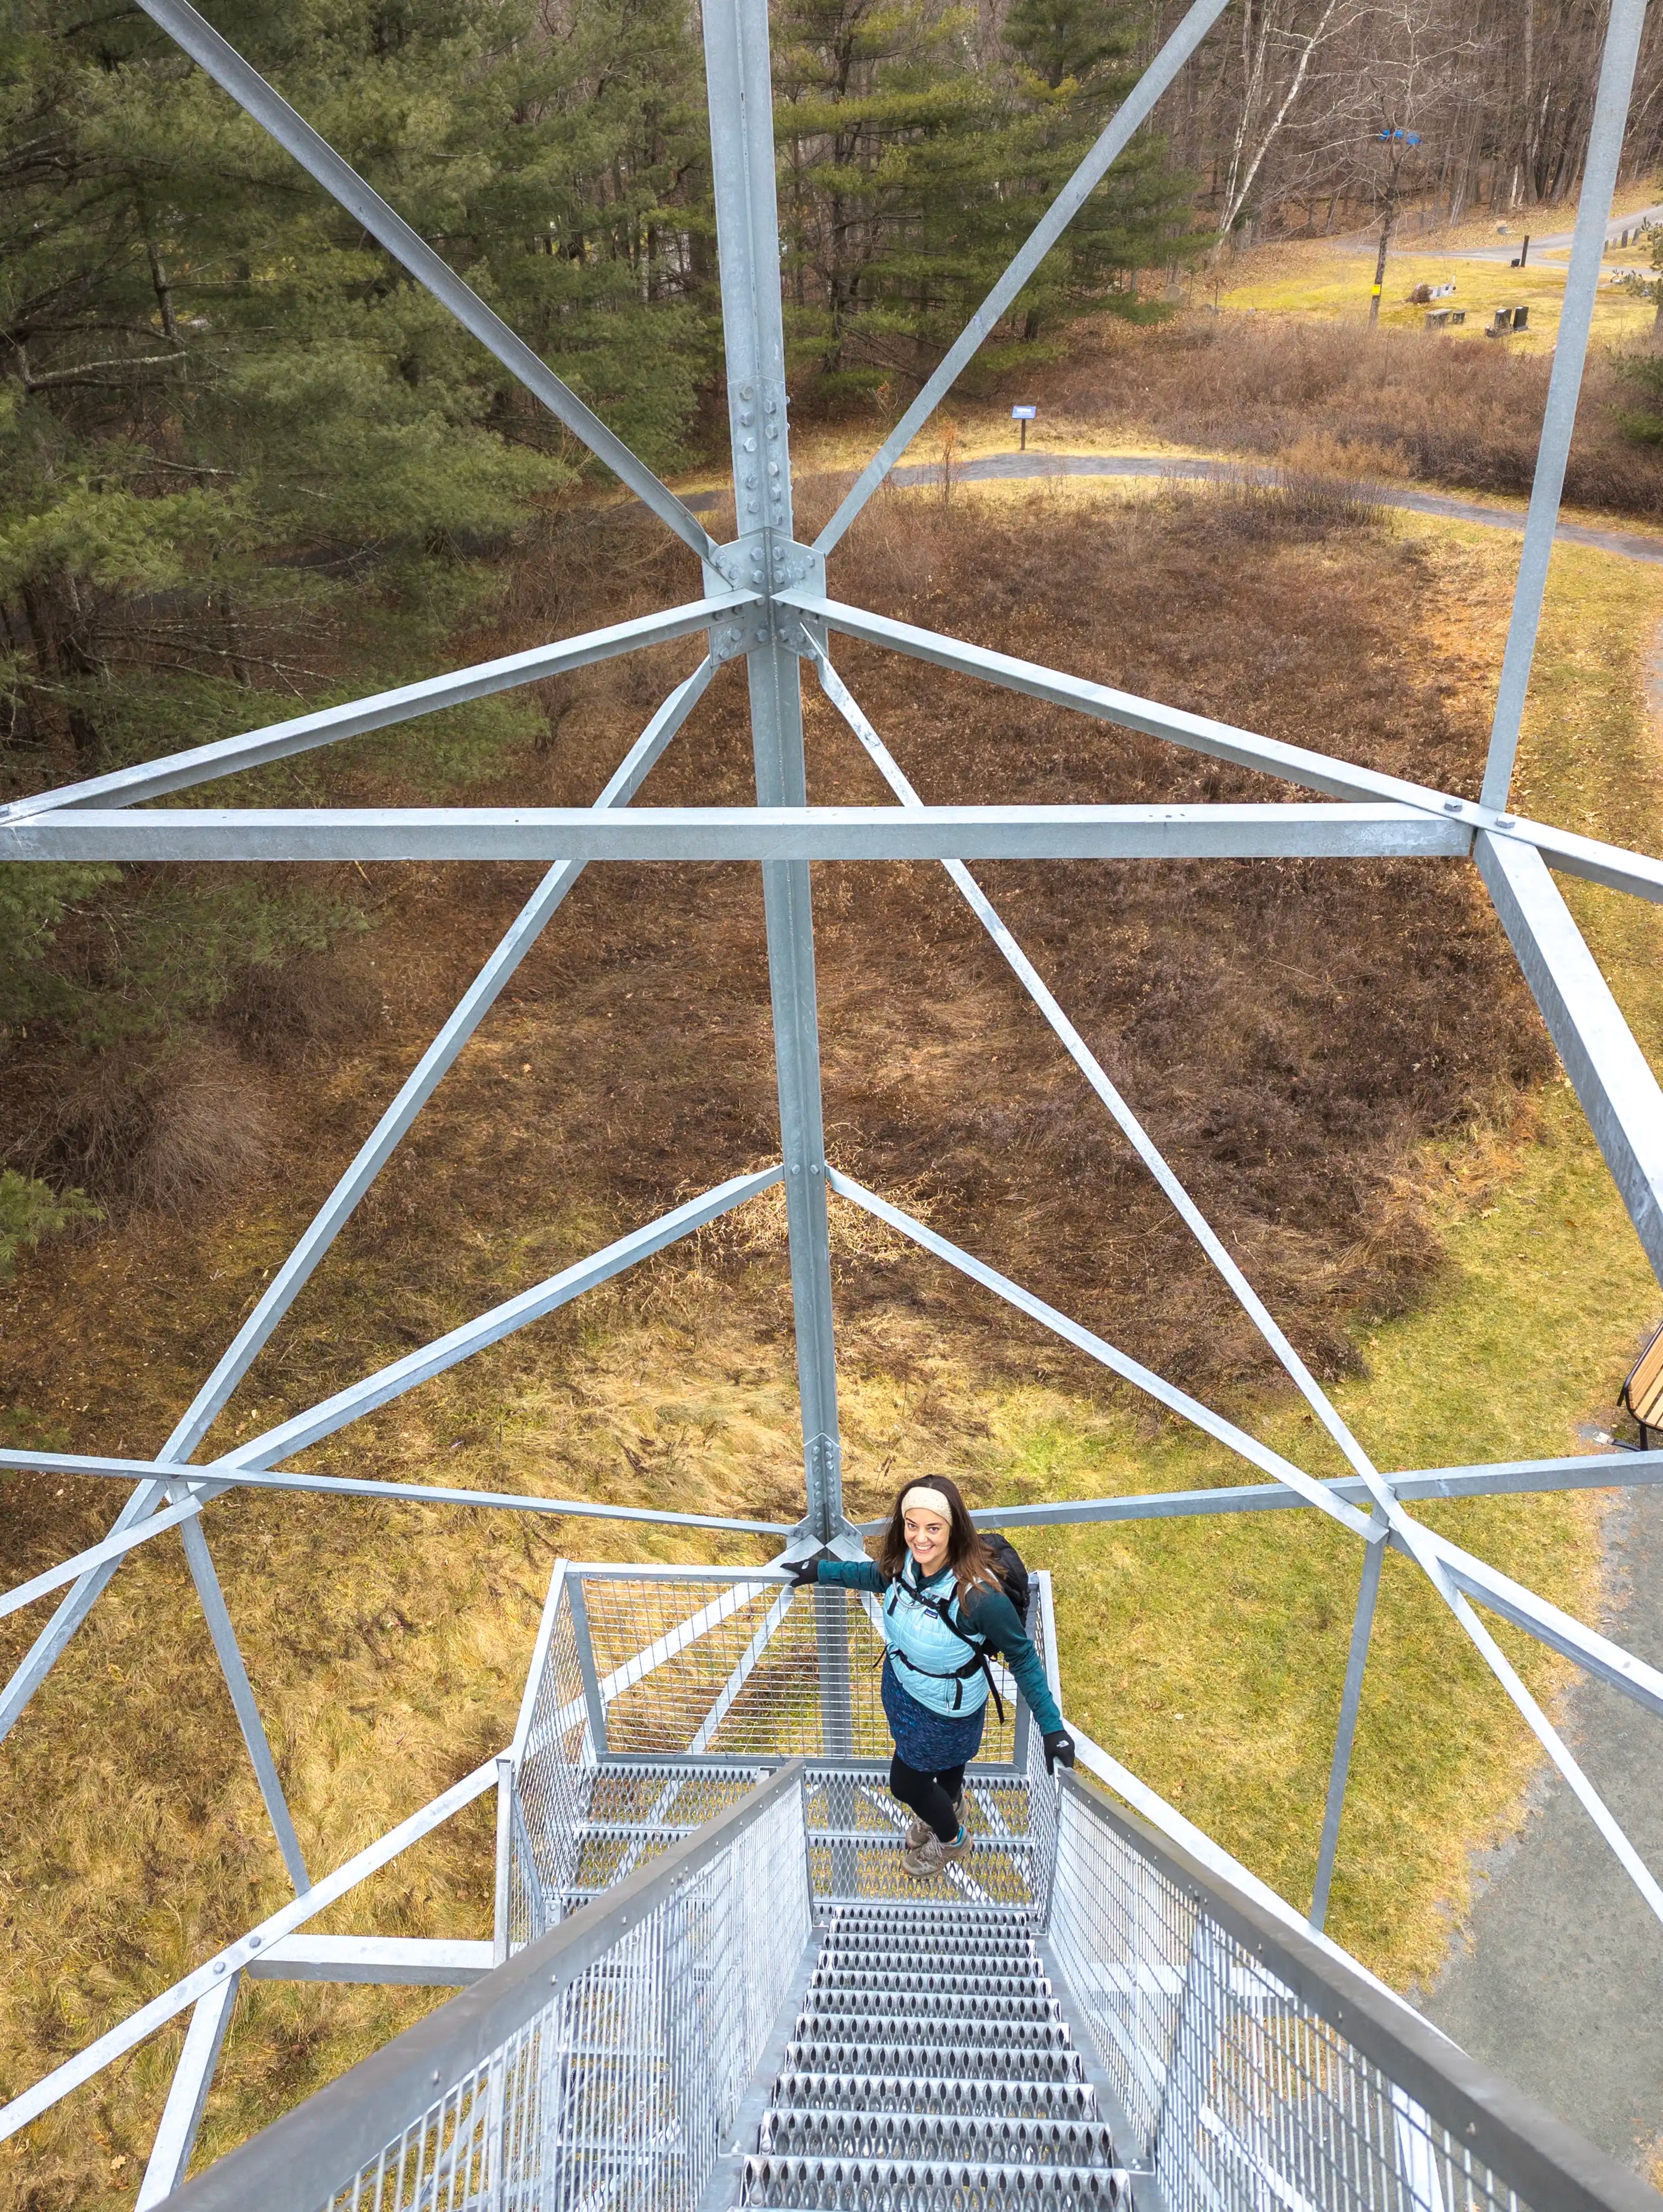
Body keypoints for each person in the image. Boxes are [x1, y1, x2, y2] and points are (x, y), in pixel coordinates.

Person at [788, 1476, 1075, 1878]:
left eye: (933, 1528)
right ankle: (948, 1804)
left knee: (906, 1785)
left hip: (945, 1711)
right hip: (905, 1689)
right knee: (946, 1770)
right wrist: (819, 1570)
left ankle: (953, 1839)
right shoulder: (908, 1562)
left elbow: (1023, 1657)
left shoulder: (980, 1596)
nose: (920, 1539)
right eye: (912, 1526)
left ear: (954, 1528)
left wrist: (1052, 1728)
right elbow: (874, 1576)